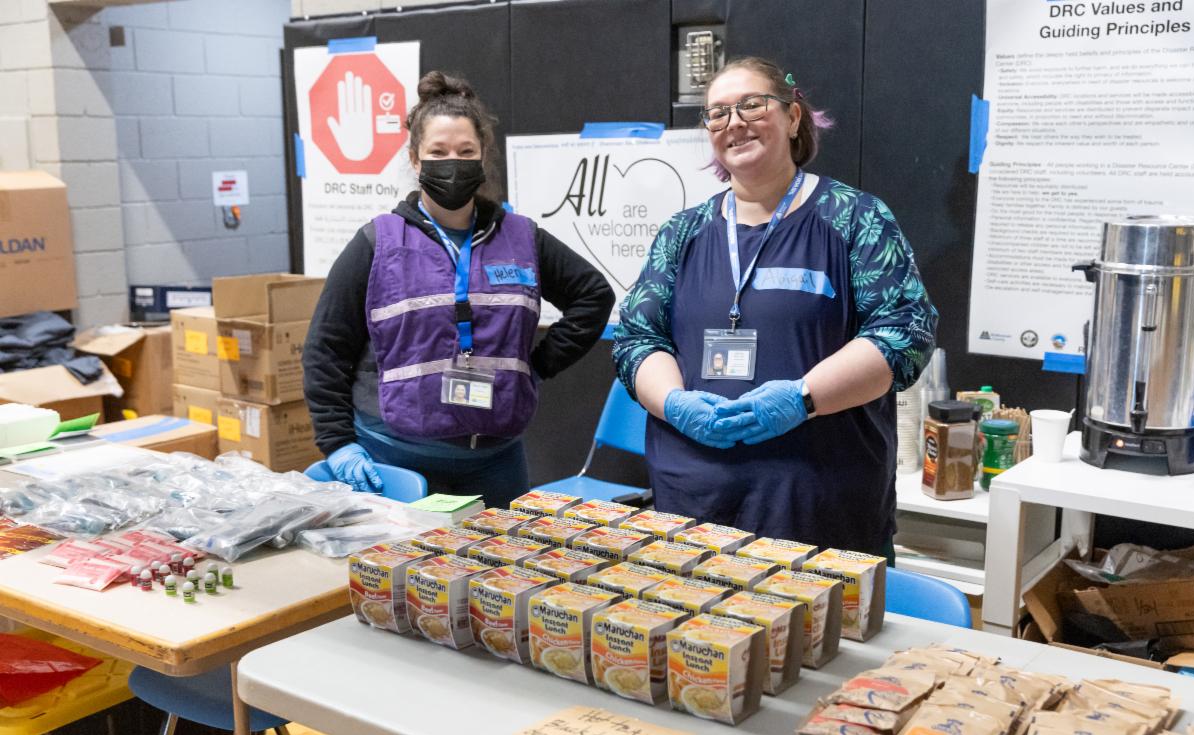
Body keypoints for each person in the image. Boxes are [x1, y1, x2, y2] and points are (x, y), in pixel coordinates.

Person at [612, 57, 937, 557]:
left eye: (751, 105)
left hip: (818, 505)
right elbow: (638, 338)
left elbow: (903, 336)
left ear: (792, 116)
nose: (734, 122)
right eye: (717, 113)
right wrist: (675, 403)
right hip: (693, 507)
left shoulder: (855, 219)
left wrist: (802, 397)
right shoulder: (683, 232)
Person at [304, 71, 615, 506]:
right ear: (416, 159)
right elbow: (326, 349)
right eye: (438, 151)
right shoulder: (378, 243)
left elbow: (594, 297)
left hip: (495, 463)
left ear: (482, 156)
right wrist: (337, 441)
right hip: (394, 458)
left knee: (502, 573)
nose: (453, 162)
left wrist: (535, 365)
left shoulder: (522, 238)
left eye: (466, 151)